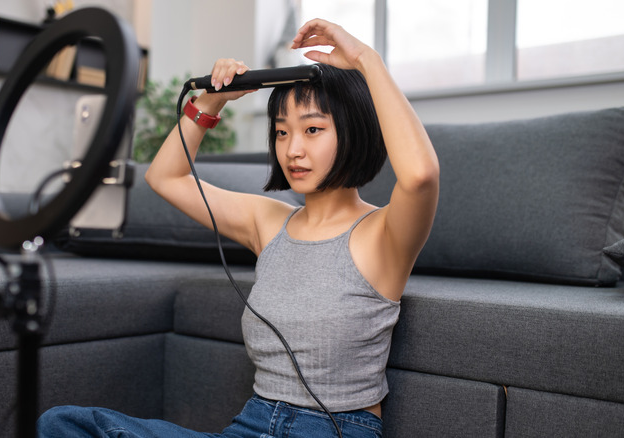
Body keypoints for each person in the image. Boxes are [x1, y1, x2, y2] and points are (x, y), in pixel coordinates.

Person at [38, 18, 439, 438]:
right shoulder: (268, 222)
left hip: (335, 429)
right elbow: (166, 178)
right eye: (282, 132)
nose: (293, 149)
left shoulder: (384, 234)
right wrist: (211, 103)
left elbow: (420, 176)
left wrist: (366, 61)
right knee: (63, 424)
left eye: (313, 129)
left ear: (353, 132)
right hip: (251, 425)